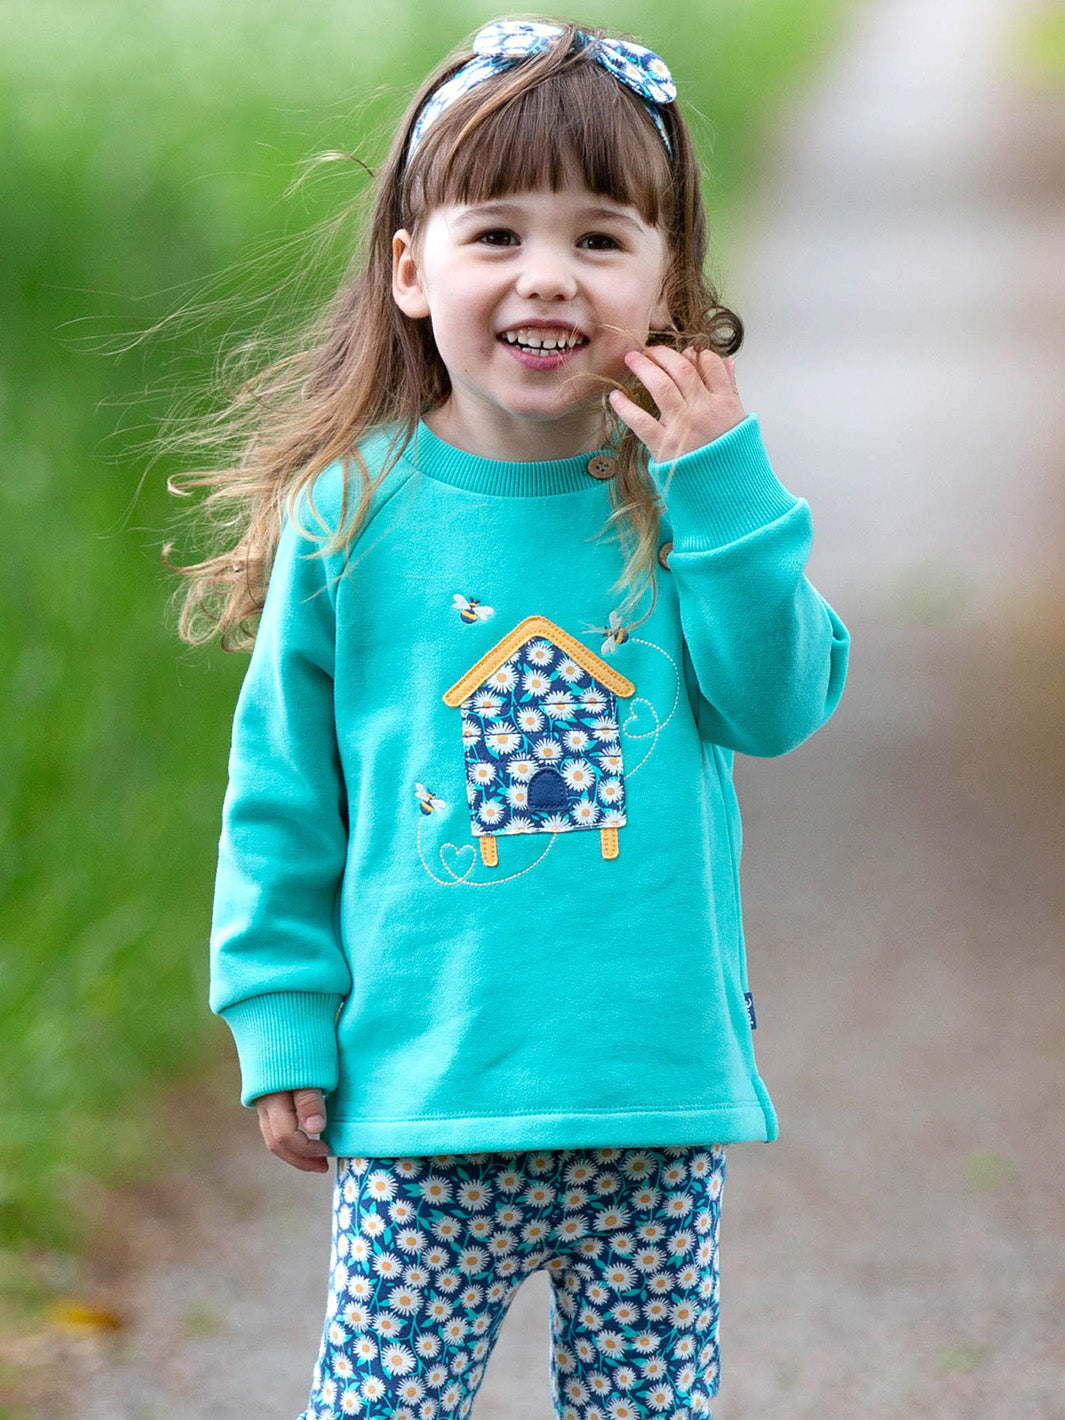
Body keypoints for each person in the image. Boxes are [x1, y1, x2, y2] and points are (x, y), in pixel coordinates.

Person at [175, 18, 849, 1420]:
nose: (548, 275)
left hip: (647, 1100)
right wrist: (283, 1020)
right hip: (425, 1104)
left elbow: (777, 703)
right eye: (498, 236)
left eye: (601, 239)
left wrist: (721, 486)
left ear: (667, 283)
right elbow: (284, 795)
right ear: (414, 272)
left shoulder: (680, 504)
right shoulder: (350, 520)